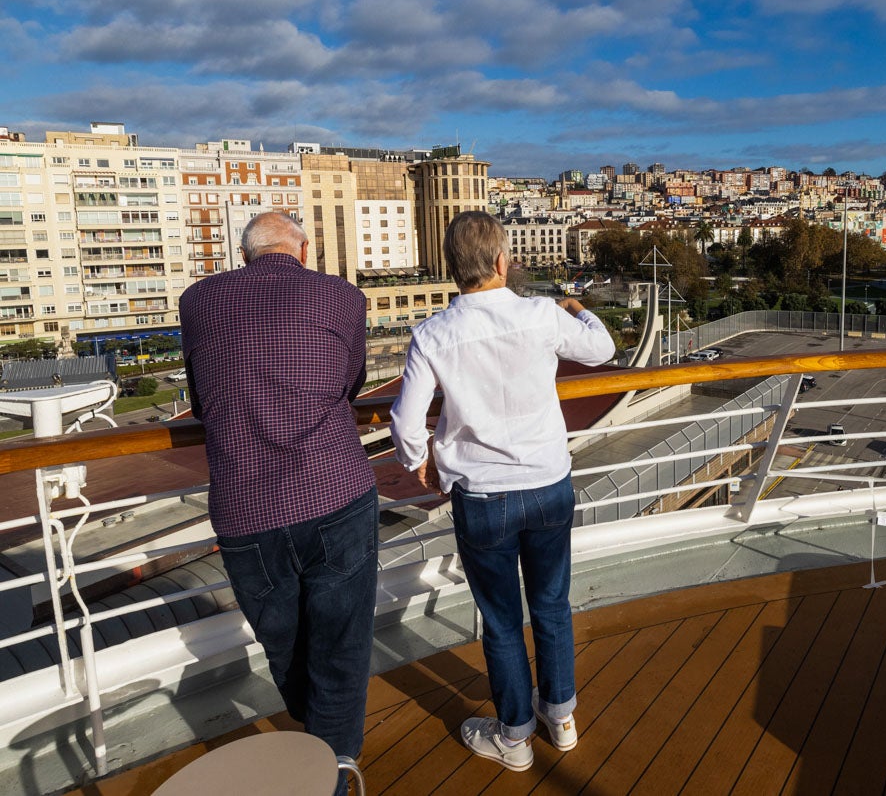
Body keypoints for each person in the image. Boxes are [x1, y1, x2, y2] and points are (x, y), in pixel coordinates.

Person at [390, 211, 615, 772]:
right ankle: (560, 718)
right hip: (547, 485)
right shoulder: (540, 315)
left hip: (482, 495)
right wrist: (574, 305)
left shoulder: (433, 334)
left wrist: (420, 462)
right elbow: (602, 350)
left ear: (452, 270)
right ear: (500, 262)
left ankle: (513, 736)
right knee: (552, 606)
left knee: (501, 619)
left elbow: (405, 417)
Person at [180, 212, 378, 791]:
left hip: (248, 507)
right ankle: (332, 768)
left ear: (246, 255)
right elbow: (350, 383)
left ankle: (313, 752)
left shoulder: (199, 301)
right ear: (304, 249)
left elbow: (200, 398)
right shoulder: (342, 297)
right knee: (341, 645)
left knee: (283, 644)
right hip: (334, 489)